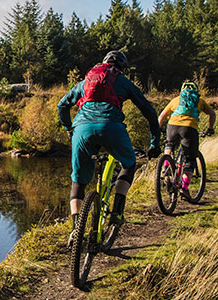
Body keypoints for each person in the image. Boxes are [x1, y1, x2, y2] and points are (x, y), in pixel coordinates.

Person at [58, 51, 162, 241]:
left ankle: (75, 229)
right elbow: (149, 111)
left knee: (78, 181)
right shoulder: (122, 81)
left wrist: (68, 128)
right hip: (111, 128)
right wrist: (155, 143)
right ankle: (117, 211)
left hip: (82, 129)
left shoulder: (86, 81)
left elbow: (62, 105)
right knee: (129, 164)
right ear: (122, 69)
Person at [157, 80, 216, 196]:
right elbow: (212, 114)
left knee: (169, 145)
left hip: (172, 126)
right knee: (190, 159)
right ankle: (184, 188)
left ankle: (166, 165)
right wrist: (210, 128)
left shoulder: (175, 100)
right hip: (189, 128)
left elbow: (161, 116)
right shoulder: (199, 101)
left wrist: (158, 130)